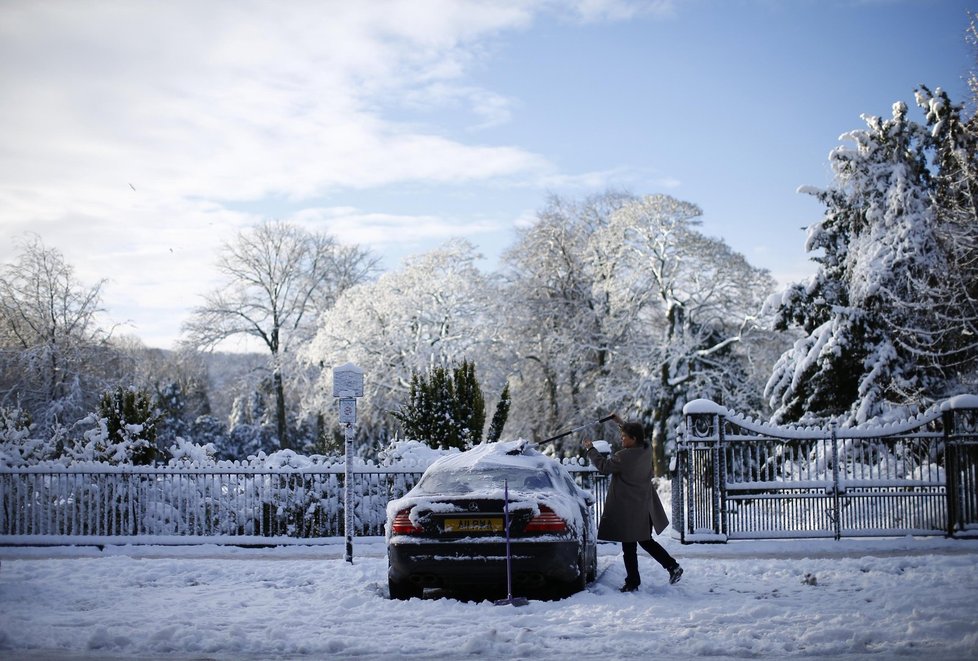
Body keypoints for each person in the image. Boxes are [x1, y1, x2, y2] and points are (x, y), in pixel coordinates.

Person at [583, 417, 683, 592]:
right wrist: (619, 422)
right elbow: (638, 435)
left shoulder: (623, 456)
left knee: (629, 546)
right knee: (645, 541)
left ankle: (632, 582)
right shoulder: (645, 449)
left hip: (629, 509)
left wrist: (590, 449)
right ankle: (672, 567)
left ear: (633, 439)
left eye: (624, 436)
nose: (622, 439)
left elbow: (604, 466)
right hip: (644, 507)